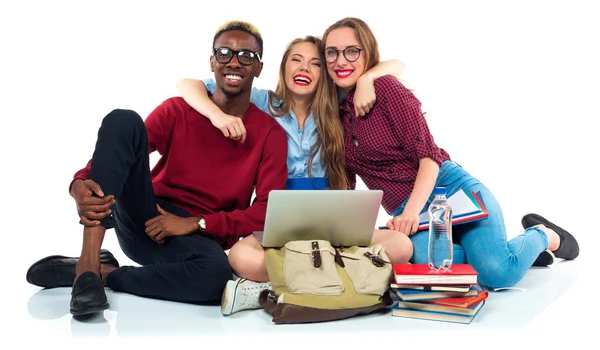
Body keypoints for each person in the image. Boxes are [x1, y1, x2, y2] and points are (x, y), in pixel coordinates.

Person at [25, 21, 289, 316]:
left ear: (259, 68)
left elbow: (267, 210)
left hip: (196, 239)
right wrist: (79, 183)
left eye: (246, 56)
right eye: (225, 52)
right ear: (212, 61)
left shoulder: (270, 134)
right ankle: (86, 269)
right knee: (124, 120)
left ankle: (106, 273)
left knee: (216, 278)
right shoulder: (178, 110)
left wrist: (198, 223)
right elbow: (124, 148)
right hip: (145, 216)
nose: (234, 62)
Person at [321, 17, 580, 289]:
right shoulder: (330, 114)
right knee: (428, 261)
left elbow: (430, 157)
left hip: (451, 191)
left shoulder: (386, 89)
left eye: (352, 51)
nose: (341, 61)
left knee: (497, 275)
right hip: (409, 211)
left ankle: (543, 236)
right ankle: (506, 252)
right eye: (332, 52)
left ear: (368, 53)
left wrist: (409, 213)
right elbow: (346, 181)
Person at [177, 35, 414, 316]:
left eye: (315, 63)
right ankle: (346, 279)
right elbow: (187, 86)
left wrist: (365, 80)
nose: (304, 69)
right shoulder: (262, 101)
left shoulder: (336, 103)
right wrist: (217, 116)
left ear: (324, 74)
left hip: (332, 216)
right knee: (240, 257)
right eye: (296, 60)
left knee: (401, 246)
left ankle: (276, 286)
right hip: (277, 215)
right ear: (283, 67)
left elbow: (397, 65)